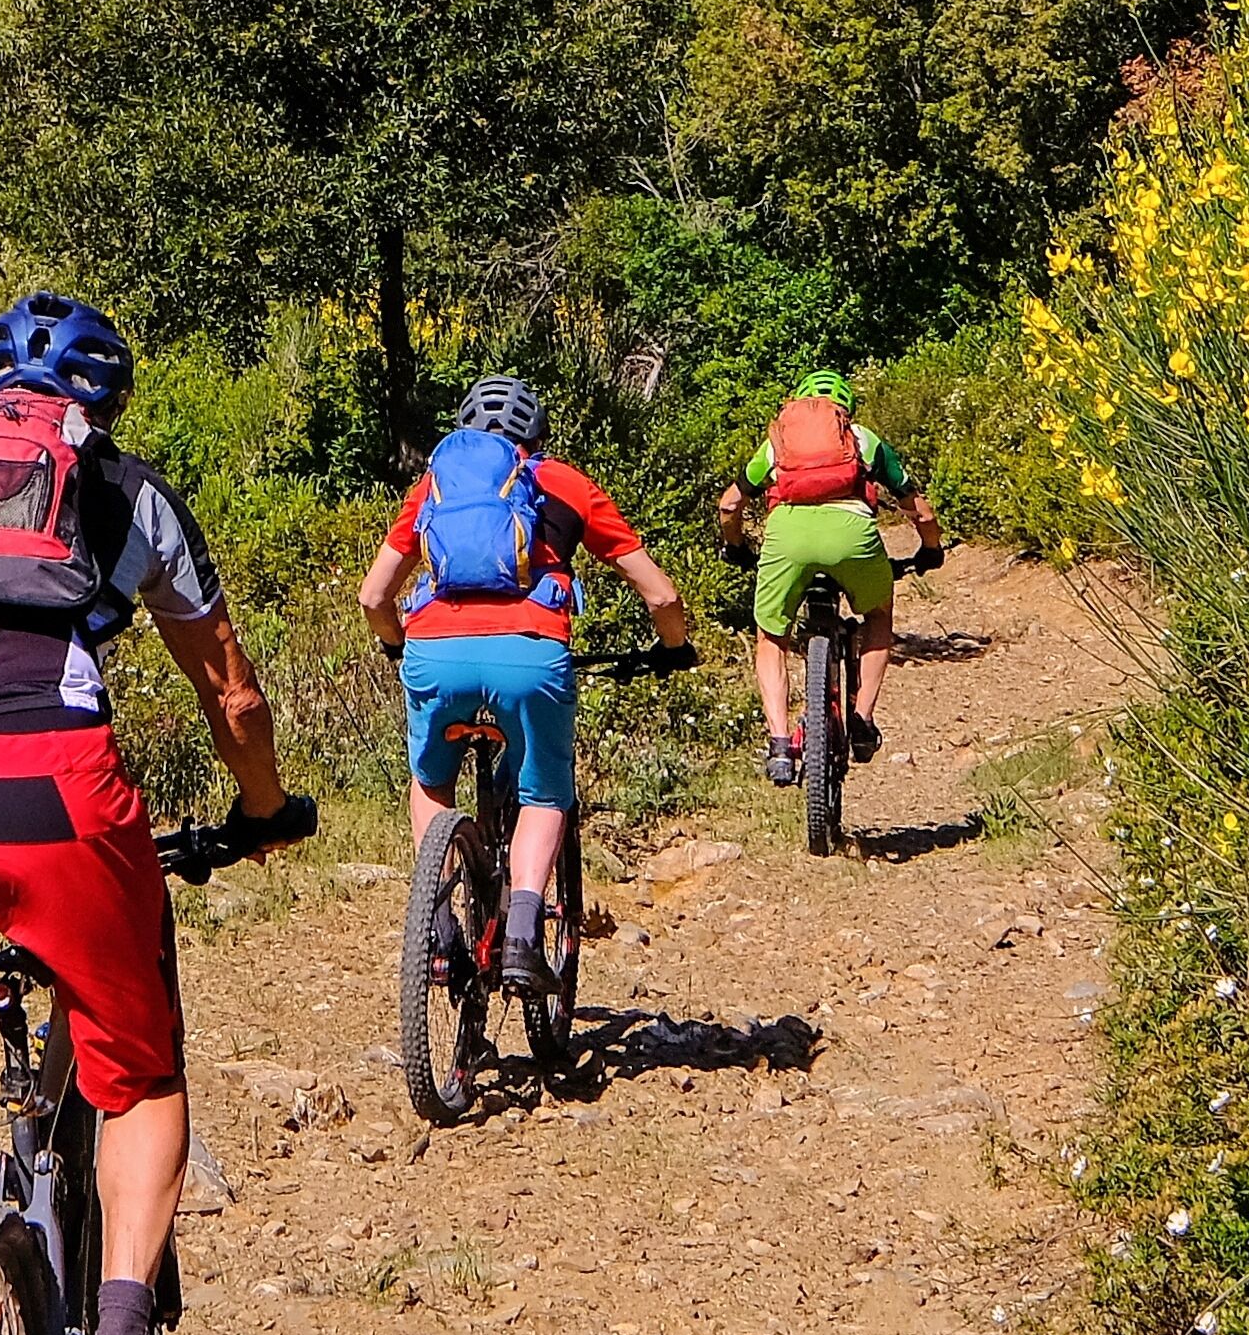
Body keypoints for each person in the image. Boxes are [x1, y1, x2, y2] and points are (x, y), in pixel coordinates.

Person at [0, 292, 300, 1335]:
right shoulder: (126, 493)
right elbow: (232, 698)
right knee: (137, 1074)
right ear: (107, 400)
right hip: (54, 791)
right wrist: (263, 810)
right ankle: (124, 1328)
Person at [354, 374, 690, 989]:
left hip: (434, 652)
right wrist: (674, 647)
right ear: (535, 435)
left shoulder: (434, 485)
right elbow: (659, 591)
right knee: (545, 794)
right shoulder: (564, 483)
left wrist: (396, 642)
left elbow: (374, 594)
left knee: (431, 785)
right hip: (530, 655)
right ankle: (522, 934)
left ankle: (439, 924)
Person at [719, 364, 938, 784]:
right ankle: (862, 717)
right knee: (877, 614)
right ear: (846, 412)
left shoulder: (778, 443)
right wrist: (931, 548)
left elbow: (730, 505)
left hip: (788, 539)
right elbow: (917, 508)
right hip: (852, 537)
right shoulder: (863, 441)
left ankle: (780, 744)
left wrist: (736, 546)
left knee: (771, 638)